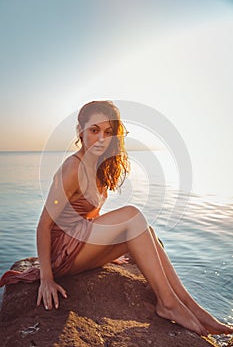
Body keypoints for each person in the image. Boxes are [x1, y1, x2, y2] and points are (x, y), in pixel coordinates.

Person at [0, 100, 232, 338]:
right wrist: (46, 279)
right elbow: (44, 226)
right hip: (63, 253)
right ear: (80, 131)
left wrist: (109, 248)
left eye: (108, 132)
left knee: (147, 232)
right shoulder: (72, 168)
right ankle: (168, 303)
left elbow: (90, 216)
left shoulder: (99, 165)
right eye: (94, 130)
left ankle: (192, 306)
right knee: (132, 215)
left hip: (81, 241)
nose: (101, 138)